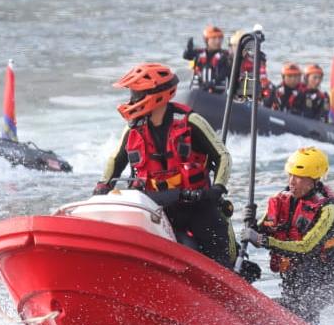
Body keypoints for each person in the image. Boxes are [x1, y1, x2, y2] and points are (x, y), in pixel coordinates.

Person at [95, 63, 243, 273]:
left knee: (219, 253)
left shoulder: (191, 121)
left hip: (197, 204)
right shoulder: (133, 130)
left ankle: (230, 280)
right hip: (158, 206)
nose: (132, 100)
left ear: (157, 95)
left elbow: (223, 156)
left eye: (136, 94)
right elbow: (116, 161)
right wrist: (102, 186)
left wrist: (216, 189)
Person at [240, 147, 334, 325]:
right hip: (296, 279)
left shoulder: (328, 209)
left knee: (299, 311)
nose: (292, 182)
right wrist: (251, 223)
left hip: (327, 282)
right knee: (290, 311)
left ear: (313, 180)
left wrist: (264, 241)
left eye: (299, 177)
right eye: (290, 175)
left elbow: (305, 247)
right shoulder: (284, 198)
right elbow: (261, 231)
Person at [182, 25, 231, 92]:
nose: (218, 41)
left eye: (220, 38)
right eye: (214, 38)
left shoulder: (226, 55)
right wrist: (188, 50)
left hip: (218, 93)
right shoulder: (198, 53)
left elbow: (227, 71)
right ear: (206, 40)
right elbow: (186, 56)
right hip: (198, 92)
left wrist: (213, 82)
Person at [229, 29, 271, 103]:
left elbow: (263, 79)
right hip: (230, 95)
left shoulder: (253, 62)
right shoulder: (226, 60)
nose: (237, 49)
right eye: (234, 46)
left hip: (248, 97)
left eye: (239, 46)